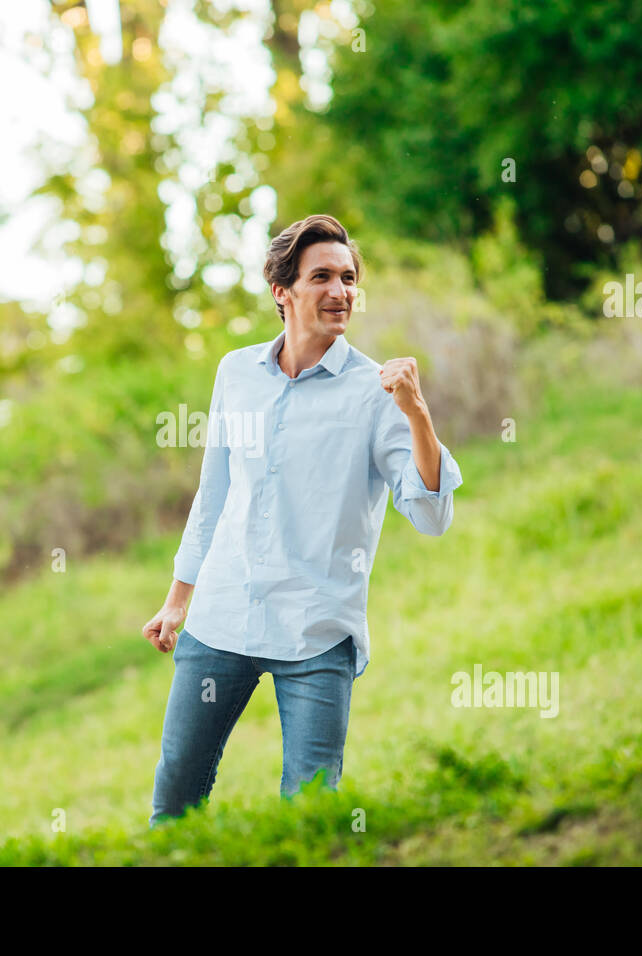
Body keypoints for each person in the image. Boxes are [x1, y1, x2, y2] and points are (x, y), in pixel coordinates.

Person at [143, 214, 463, 828]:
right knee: (176, 799)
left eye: (348, 278)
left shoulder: (377, 392)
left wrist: (418, 413)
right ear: (282, 292)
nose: (340, 291)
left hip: (318, 632)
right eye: (322, 277)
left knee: (310, 812)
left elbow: (430, 514)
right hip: (223, 618)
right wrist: (178, 601)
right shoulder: (236, 373)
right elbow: (213, 496)